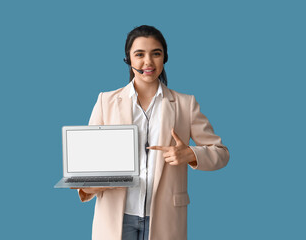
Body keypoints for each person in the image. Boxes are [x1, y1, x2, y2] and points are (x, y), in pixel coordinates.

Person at [75, 25, 229, 240]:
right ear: (128, 58)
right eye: (139, 54)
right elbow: (87, 164)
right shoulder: (105, 102)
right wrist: (91, 185)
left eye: (156, 53)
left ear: (164, 57)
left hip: (165, 216)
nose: (148, 62)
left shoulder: (185, 104)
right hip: (116, 216)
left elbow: (221, 153)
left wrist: (191, 155)